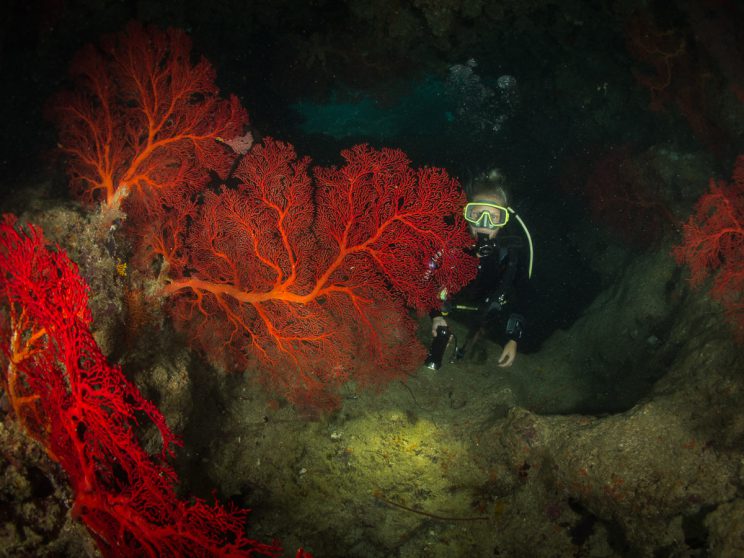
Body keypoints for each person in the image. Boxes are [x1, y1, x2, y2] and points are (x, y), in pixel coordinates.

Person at [426, 169, 533, 369]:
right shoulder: (449, 244)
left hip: (486, 311)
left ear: (504, 220)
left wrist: (513, 338)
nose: (484, 223)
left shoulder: (511, 252)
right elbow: (425, 279)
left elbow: (523, 293)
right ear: (467, 215)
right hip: (448, 306)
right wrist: (435, 315)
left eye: (494, 216)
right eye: (477, 214)